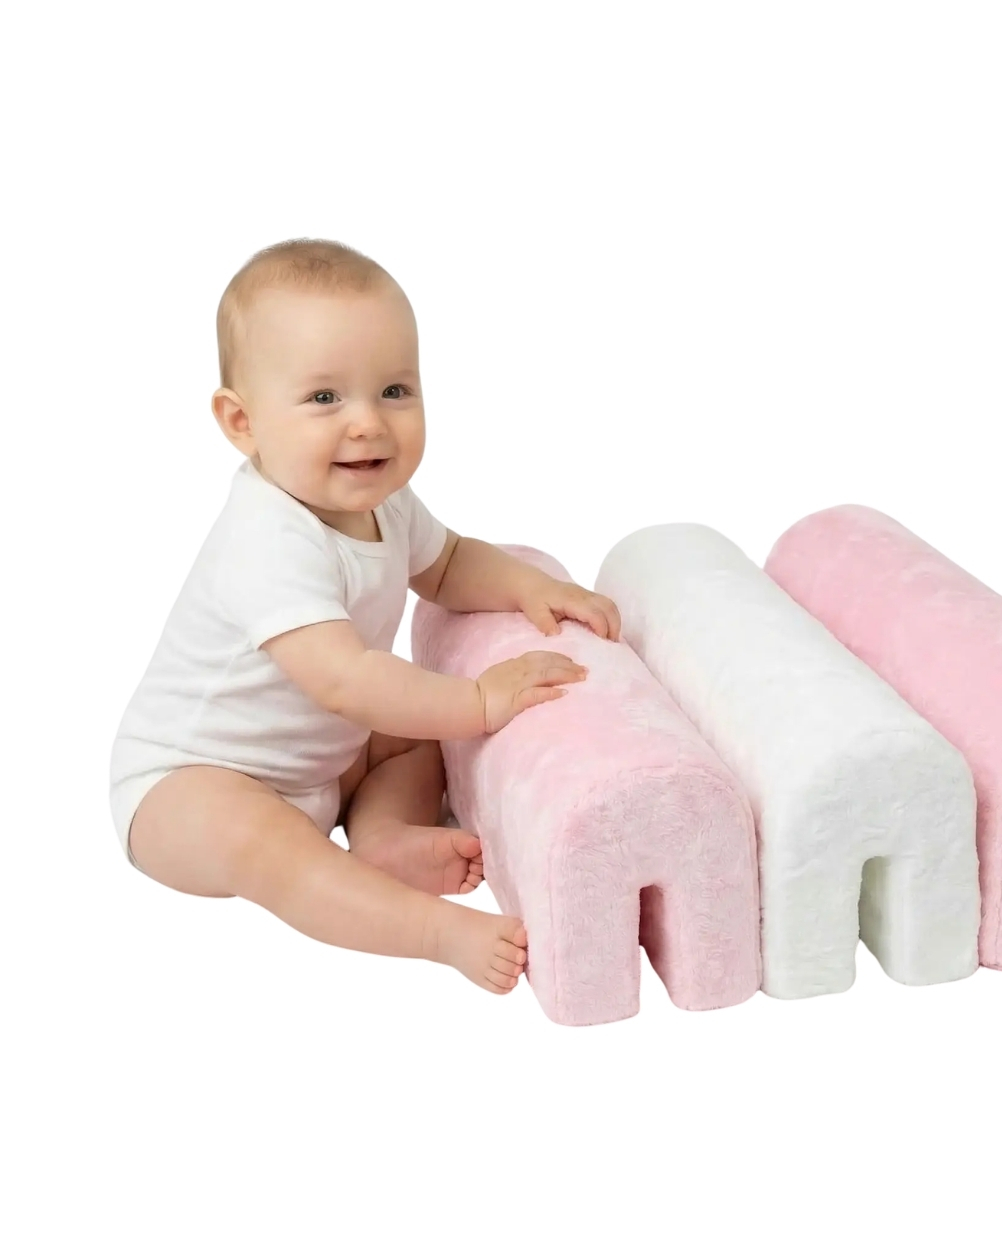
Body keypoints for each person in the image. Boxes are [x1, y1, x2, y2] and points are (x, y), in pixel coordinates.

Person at [109, 238, 623, 995]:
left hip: (319, 760)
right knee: (271, 846)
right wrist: (480, 701)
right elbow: (345, 681)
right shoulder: (266, 538)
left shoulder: (385, 503)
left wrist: (529, 588)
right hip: (189, 784)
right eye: (325, 398)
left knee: (412, 733)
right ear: (242, 422)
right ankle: (436, 932)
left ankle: (381, 838)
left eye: (393, 390)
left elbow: (446, 564)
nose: (368, 423)